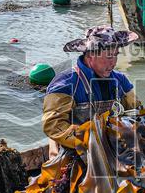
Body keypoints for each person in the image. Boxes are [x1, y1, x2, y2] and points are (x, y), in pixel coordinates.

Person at [43, 26, 139, 154]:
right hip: (74, 151)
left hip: (112, 147)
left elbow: (136, 111)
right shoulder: (65, 84)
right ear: (90, 56)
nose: (114, 63)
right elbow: (53, 126)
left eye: (116, 56)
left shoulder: (120, 80)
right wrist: (88, 142)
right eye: (109, 57)